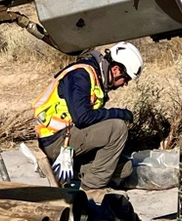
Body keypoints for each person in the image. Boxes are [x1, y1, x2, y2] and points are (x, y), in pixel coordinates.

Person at [27, 41, 143, 202]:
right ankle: (91, 189)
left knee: (124, 169)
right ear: (116, 69)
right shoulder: (81, 76)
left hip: (69, 139)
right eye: (126, 79)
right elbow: (82, 118)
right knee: (117, 127)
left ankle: (64, 173)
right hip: (55, 140)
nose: (125, 84)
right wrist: (119, 113)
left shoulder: (95, 77)